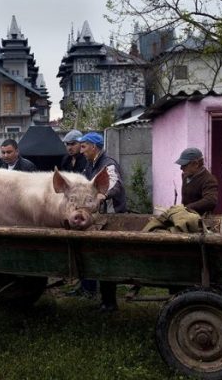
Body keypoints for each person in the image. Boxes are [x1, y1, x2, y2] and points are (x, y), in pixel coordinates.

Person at [78, 132, 127, 312]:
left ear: (94, 147)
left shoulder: (108, 164)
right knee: (101, 257)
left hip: (112, 217)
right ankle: (104, 299)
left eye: (84, 147)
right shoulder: (91, 165)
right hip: (100, 217)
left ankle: (109, 303)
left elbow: (115, 184)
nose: (81, 151)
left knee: (107, 259)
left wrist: (103, 196)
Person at [175, 147, 218, 215]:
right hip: (185, 216)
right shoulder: (185, 176)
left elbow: (210, 201)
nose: (181, 168)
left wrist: (186, 208)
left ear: (196, 164)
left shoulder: (209, 180)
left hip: (200, 220)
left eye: (184, 165)